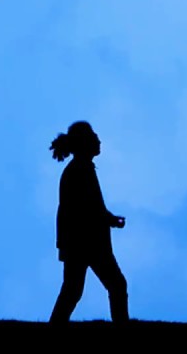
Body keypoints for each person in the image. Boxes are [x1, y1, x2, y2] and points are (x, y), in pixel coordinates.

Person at [48, 121, 129, 323]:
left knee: (73, 290)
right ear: (85, 143)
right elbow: (88, 208)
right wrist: (110, 220)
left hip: (78, 243)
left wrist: (110, 219)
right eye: (94, 138)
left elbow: (90, 207)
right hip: (88, 243)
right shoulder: (80, 170)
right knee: (114, 285)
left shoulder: (80, 169)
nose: (99, 141)